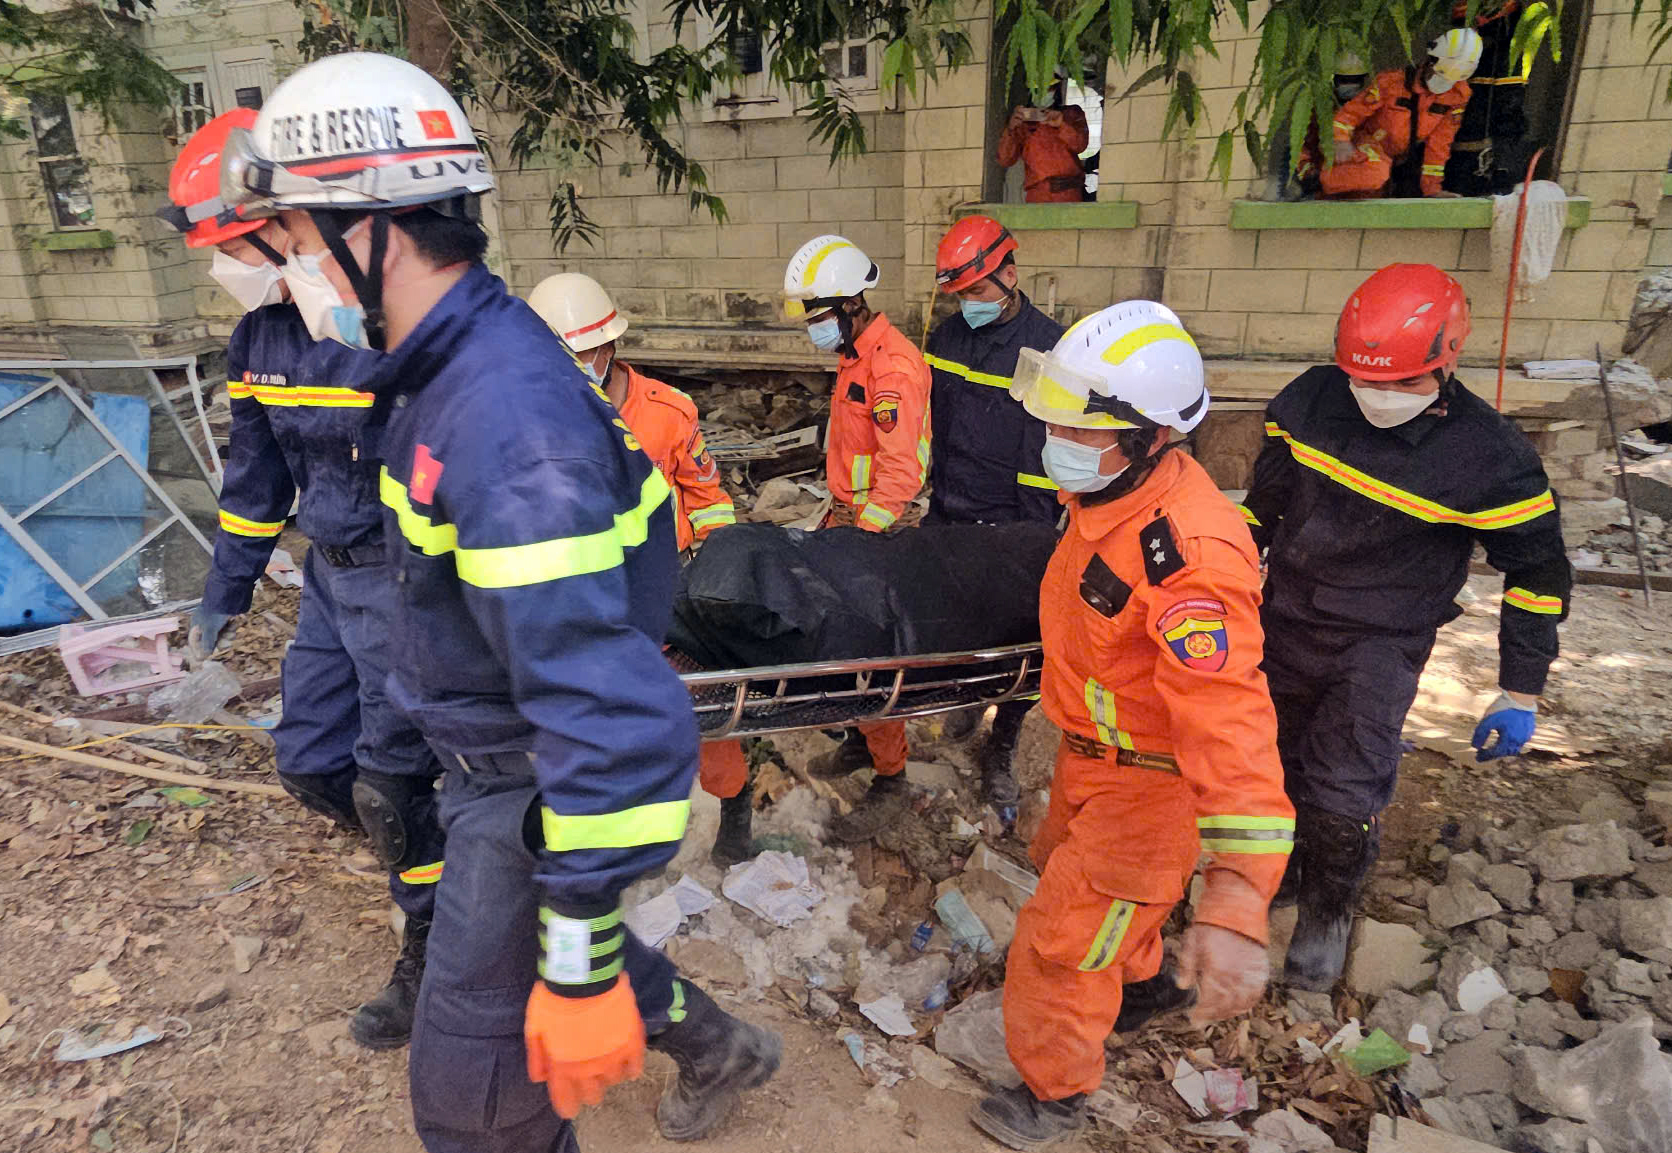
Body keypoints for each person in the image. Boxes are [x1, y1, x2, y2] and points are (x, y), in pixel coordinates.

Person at [218, 52, 779, 1151]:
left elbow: (614, 725)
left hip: (527, 789)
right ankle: (712, 1040)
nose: (281, 267)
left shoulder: (504, 424)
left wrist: (578, 971)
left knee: (477, 1114)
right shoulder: (442, 367)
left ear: (367, 227)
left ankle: (685, 1027)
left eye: (287, 236)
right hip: (492, 770)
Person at [972, 301, 1294, 1150]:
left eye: (1079, 429)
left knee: (1059, 942)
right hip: (1097, 765)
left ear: (1152, 437)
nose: (1058, 440)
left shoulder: (1188, 558)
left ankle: (1056, 1095)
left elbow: (1230, 719)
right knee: (1086, 894)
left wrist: (1236, 889)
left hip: (1149, 790)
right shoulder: (1111, 497)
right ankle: (1145, 990)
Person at [160, 107, 444, 1051]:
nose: (226, 265)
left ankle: (436, 945)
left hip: (406, 582)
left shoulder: (384, 325)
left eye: (231, 243)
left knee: (392, 780)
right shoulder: (259, 343)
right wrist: (225, 589)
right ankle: (436, 860)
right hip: (331, 581)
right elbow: (256, 483)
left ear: (283, 225)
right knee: (312, 760)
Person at [1241, 263, 1571, 992]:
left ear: (1447, 359)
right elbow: (1261, 508)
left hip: (1380, 642)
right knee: (1271, 761)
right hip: (1285, 617)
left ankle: (1328, 914)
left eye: (1402, 385)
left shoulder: (1491, 461)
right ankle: (1285, 872)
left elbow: (1540, 574)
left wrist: (1521, 688)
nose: (1379, 398)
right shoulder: (1308, 402)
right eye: (1366, 380)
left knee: (1342, 789)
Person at [526, 272, 753, 866]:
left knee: (702, 706)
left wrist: (711, 576)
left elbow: (708, 496)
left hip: (669, 583)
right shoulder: (543, 415)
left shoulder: (667, 413)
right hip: (590, 591)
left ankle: (734, 809)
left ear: (605, 348)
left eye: (574, 357)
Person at [782, 233, 931, 843]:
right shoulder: (855, 357)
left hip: (879, 526)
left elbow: (901, 472)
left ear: (852, 306)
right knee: (834, 647)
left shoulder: (892, 367)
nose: (814, 328)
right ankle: (856, 739)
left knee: (869, 657)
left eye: (820, 317)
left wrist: (860, 539)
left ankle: (891, 775)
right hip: (847, 515)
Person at [923, 215, 1064, 811]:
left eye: (978, 291)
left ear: (1010, 273)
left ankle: (1000, 744)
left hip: (1016, 523)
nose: (969, 305)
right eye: (960, 295)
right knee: (950, 625)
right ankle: (959, 698)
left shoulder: (1050, 348)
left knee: (1019, 646)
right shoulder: (948, 338)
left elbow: (1051, 448)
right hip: (949, 513)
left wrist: (1030, 537)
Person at [1319, 29, 1482, 200]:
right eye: (1441, 73)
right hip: (1365, 145)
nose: (1443, 83)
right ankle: (1318, 182)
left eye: (1452, 78)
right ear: (1429, 61)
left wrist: (1432, 189)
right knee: (1376, 172)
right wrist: (1340, 140)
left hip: (1394, 162)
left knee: (1373, 193)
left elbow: (1439, 144)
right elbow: (1351, 113)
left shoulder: (1456, 95)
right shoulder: (1392, 83)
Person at [996, 77, 1090, 203]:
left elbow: (1080, 145)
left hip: (1069, 191)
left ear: (1057, 89)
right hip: (1038, 194)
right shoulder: (1023, 122)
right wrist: (1011, 128)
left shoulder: (1071, 113)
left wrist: (1061, 123)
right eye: (1037, 89)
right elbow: (1005, 159)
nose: (1042, 93)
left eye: (1048, 88)